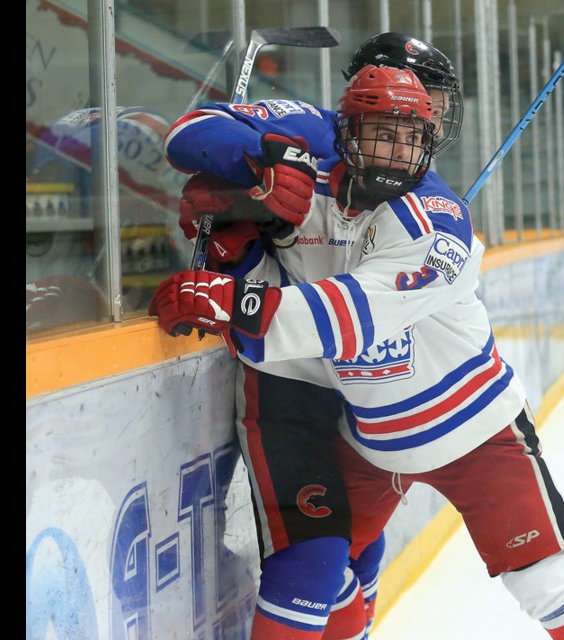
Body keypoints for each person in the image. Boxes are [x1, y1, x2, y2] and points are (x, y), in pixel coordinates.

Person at [150, 64, 564, 640]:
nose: (399, 151)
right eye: (384, 133)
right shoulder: (314, 193)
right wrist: (241, 228)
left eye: (412, 137)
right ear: (344, 133)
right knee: (315, 574)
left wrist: (233, 304)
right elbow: (202, 155)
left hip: (475, 431)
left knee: (549, 581)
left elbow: (353, 316)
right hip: (371, 440)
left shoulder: (439, 224)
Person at [162, 34, 466, 640]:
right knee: (316, 560)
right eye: (416, 94)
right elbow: (187, 134)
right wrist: (256, 166)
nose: (421, 116)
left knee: (362, 546)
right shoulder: (312, 128)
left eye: (431, 100)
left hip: (370, 390)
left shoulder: (428, 190)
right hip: (289, 379)